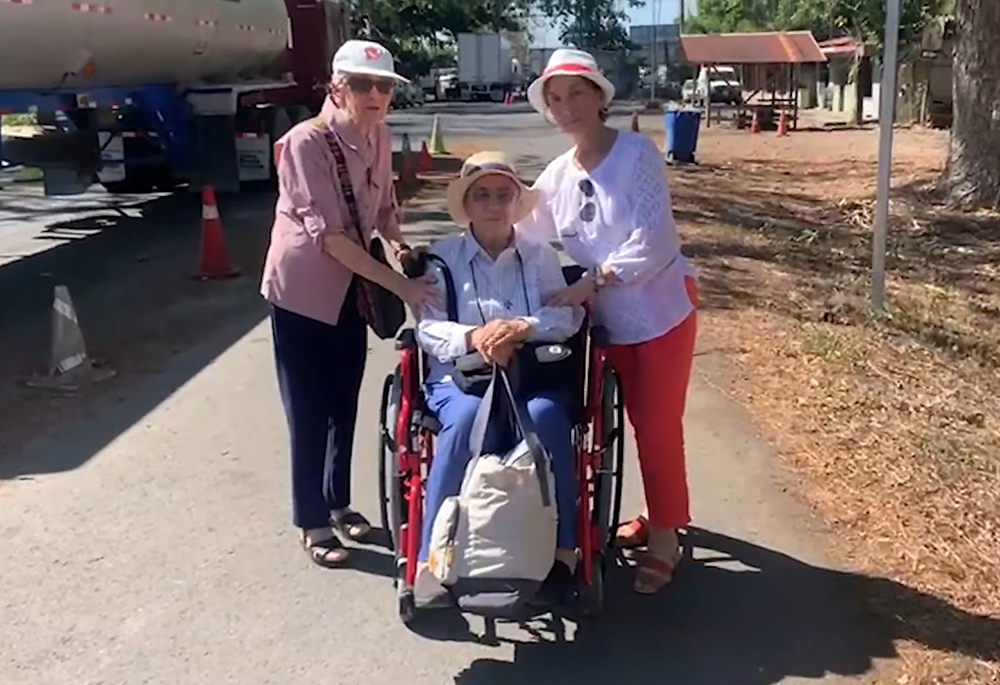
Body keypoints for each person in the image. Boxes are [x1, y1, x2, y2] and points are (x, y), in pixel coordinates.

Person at [516, 48, 699, 595]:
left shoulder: (637, 153)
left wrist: (594, 280)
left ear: (599, 97)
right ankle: (659, 510)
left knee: (656, 424)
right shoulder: (554, 177)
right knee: (597, 425)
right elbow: (525, 237)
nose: (566, 105)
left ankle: (667, 534)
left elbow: (654, 237)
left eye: (576, 92)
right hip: (602, 324)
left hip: (660, 309)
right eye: (555, 97)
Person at [260, 39, 437, 568]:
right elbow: (330, 238)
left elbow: (382, 210)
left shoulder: (378, 136)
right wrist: (399, 285)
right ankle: (311, 519)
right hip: (304, 290)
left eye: (384, 86)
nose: (376, 95)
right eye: (363, 85)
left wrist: (400, 245)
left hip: (352, 289)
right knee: (308, 407)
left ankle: (338, 502)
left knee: (345, 400)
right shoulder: (304, 143)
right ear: (338, 88)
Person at [415, 151, 585, 595]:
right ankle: (430, 561)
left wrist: (521, 326)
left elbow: (567, 316)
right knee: (469, 421)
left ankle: (564, 552)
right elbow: (428, 329)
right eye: (482, 195)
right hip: (461, 376)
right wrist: (477, 337)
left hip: (531, 373)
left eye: (503, 195)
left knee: (547, 419)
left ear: (516, 202)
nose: (493, 204)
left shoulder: (539, 256)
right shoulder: (442, 258)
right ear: (467, 204)